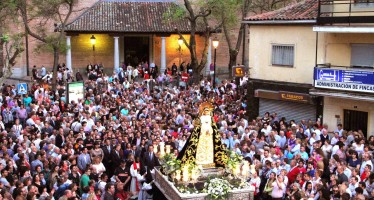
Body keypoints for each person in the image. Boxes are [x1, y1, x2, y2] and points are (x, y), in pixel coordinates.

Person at [177, 101, 227, 168]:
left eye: (208, 110)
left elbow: (214, 128)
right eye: (205, 110)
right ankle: (199, 162)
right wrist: (203, 130)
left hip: (209, 136)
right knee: (201, 149)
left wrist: (209, 130)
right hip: (202, 135)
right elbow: (197, 127)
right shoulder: (201, 118)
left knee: (209, 151)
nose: (206, 112)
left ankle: (209, 162)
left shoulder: (211, 118)